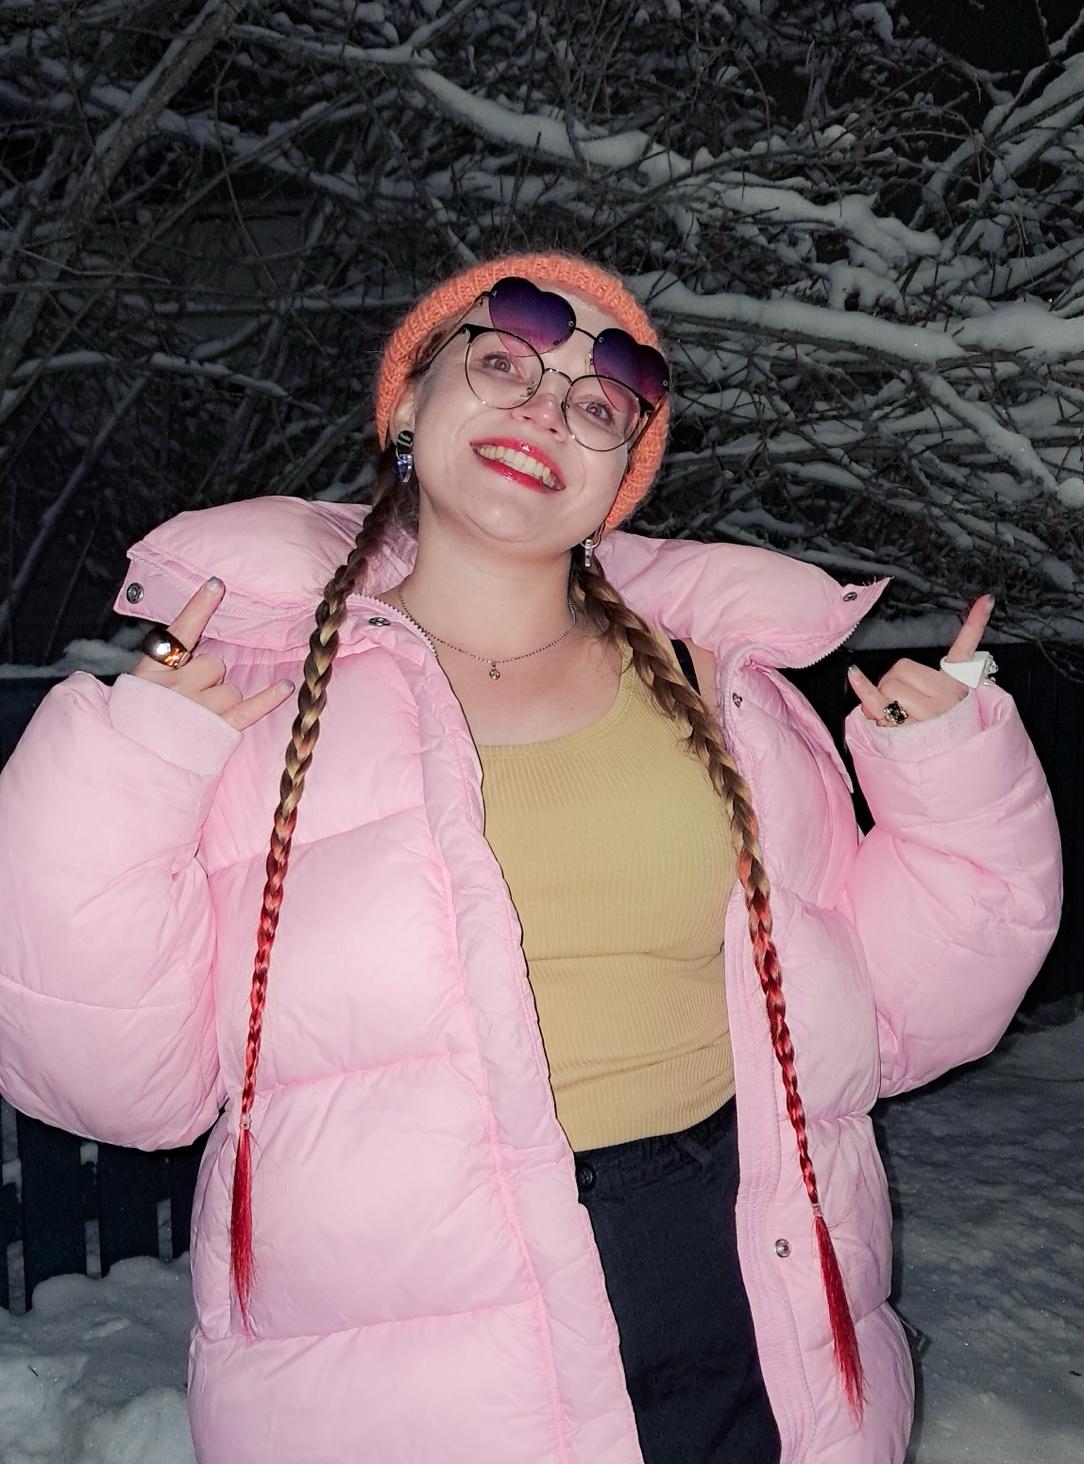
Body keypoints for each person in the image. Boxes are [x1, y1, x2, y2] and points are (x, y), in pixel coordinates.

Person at [0, 253, 1060, 1464]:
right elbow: (108, 1080)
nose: (547, 408)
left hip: (739, 1283)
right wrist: (131, 761)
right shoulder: (251, 698)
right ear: (407, 407)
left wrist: (949, 783)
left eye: (598, 404)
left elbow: (895, 1017)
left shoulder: (719, 683)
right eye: (502, 362)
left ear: (618, 480)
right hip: (407, 1341)